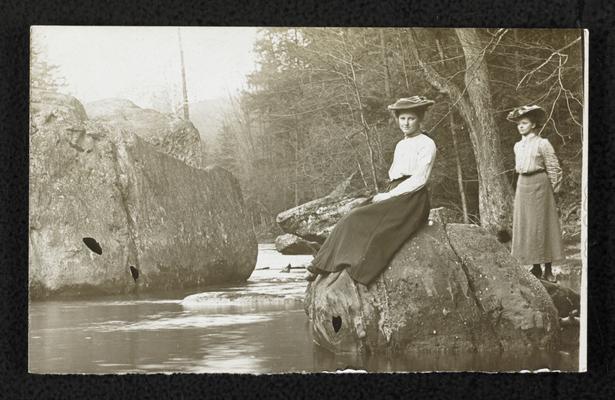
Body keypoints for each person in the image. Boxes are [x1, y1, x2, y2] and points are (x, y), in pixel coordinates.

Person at [304, 96, 437, 286]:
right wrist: (387, 192)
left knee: (360, 219)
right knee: (352, 215)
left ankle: (335, 266)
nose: (406, 123)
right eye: (402, 118)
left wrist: (389, 195)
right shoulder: (401, 144)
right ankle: (322, 264)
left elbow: (419, 179)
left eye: (411, 118)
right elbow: (395, 175)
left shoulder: (427, 143)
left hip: (412, 198)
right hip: (396, 191)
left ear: (419, 120)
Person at [508, 105, 564, 282]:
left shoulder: (542, 143)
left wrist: (553, 191)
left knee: (542, 225)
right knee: (527, 226)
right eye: (519, 124)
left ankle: (548, 269)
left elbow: (554, 167)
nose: (521, 126)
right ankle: (535, 268)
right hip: (523, 185)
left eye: (524, 123)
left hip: (540, 185)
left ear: (533, 125)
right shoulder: (518, 146)